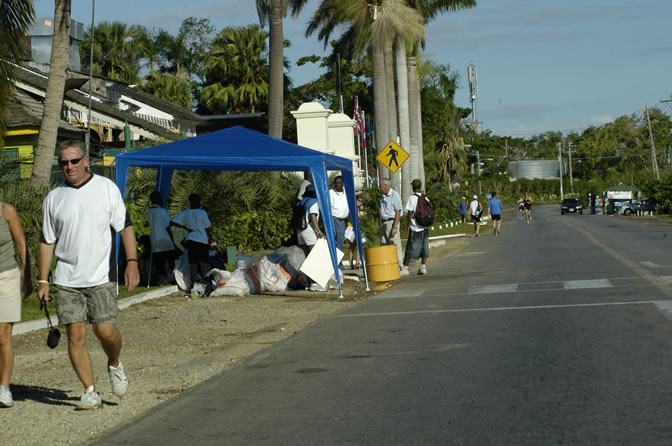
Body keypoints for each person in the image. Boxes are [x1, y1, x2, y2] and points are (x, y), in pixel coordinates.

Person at [38, 140, 139, 410]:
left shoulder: (106, 189)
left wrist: (132, 262)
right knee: (76, 335)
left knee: (105, 332)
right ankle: (89, 391)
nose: (68, 167)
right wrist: (44, 280)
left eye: (73, 161)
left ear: (86, 160)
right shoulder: (54, 198)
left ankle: (115, 363)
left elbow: (125, 227)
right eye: (63, 163)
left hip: (101, 276)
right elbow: (47, 241)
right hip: (67, 279)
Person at [0, 201, 28, 408]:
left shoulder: (6, 211)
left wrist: (29, 277)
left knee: (3, 335)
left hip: (6, 278)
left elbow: (22, 245)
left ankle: (4, 387)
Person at [170, 194, 211, 294]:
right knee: (204, 264)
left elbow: (172, 222)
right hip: (202, 241)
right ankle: (208, 286)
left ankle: (194, 286)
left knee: (193, 264)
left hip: (191, 240)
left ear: (190, 202)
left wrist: (186, 228)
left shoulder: (186, 213)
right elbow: (207, 227)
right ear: (199, 201)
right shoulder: (202, 212)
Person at [146, 191, 178, 285]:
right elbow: (167, 226)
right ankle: (176, 278)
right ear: (158, 200)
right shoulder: (162, 211)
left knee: (160, 263)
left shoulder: (149, 212)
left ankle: (161, 280)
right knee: (172, 262)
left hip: (155, 241)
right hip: (165, 240)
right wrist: (172, 240)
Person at [379, 179, 407, 276]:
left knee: (395, 244)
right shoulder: (382, 196)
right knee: (384, 245)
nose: (379, 188)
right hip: (383, 223)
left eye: (381, 185)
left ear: (386, 186)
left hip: (391, 222)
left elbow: (398, 211)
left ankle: (400, 266)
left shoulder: (394, 195)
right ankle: (388, 266)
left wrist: (395, 226)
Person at [402, 179, 430, 275]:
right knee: (424, 246)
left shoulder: (411, 198)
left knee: (410, 246)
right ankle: (423, 267)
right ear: (420, 187)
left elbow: (410, 212)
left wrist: (408, 224)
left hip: (416, 227)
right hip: (425, 227)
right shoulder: (425, 198)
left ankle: (405, 268)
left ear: (413, 187)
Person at [296, 184, 323, 255]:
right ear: (314, 193)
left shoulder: (301, 202)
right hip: (308, 229)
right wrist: (319, 231)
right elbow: (313, 217)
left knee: (305, 255)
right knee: (313, 254)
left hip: (299, 229)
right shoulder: (313, 202)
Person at [329, 175, 348, 270]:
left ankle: (339, 264)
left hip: (342, 221)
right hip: (333, 218)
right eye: (336, 183)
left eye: (339, 183)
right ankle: (334, 264)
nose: (337, 185)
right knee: (333, 242)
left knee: (340, 243)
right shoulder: (331, 192)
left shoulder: (347, 193)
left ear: (342, 183)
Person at [346, 194, 366, 269]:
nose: (360, 202)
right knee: (354, 246)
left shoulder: (357, 209)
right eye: (358, 200)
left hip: (355, 228)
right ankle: (354, 263)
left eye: (361, 201)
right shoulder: (354, 209)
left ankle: (356, 262)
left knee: (358, 245)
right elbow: (352, 219)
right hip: (352, 229)